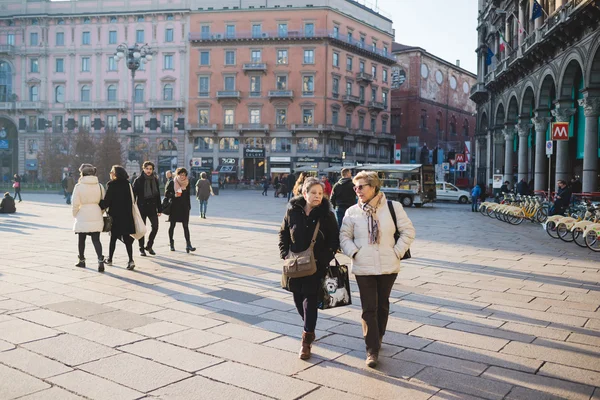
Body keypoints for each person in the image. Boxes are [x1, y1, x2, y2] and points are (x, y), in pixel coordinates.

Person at [340, 171, 415, 368]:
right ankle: (371, 349)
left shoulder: (393, 207)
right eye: (355, 187)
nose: (357, 190)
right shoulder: (352, 212)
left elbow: (408, 231)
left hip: (388, 265)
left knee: (382, 305)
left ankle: (378, 336)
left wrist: (396, 252)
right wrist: (354, 253)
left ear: (373, 186)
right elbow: (344, 237)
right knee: (368, 308)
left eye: (361, 186)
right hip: (363, 266)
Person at [278, 177, 339, 360]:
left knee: (310, 301)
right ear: (304, 193)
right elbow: (283, 232)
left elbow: (334, 240)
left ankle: (306, 339)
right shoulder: (292, 210)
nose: (317, 196)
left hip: (316, 266)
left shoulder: (327, 214)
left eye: (320, 193)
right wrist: (284, 253)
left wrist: (324, 260)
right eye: (313, 193)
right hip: (294, 265)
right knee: (298, 300)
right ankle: (309, 327)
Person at [71, 164, 105, 272]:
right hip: (96, 212)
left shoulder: (79, 186)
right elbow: (103, 201)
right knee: (96, 239)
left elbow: (75, 203)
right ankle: (100, 260)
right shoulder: (99, 186)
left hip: (83, 213)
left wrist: (75, 214)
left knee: (81, 239)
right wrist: (100, 211)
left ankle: (82, 260)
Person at [103, 165, 136, 270]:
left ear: (116, 174)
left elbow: (106, 202)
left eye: (112, 172)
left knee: (113, 239)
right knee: (127, 238)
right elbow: (133, 199)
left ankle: (110, 259)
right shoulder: (128, 184)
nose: (110, 173)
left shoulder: (112, 185)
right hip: (127, 215)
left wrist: (98, 204)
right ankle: (131, 260)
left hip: (115, 216)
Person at [132, 161, 162, 256]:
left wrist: (159, 209)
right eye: (147, 169)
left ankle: (149, 245)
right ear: (143, 169)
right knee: (142, 229)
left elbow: (158, 195)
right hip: (142, 208)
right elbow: (133, 195)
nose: (149, 171)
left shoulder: (155, 180)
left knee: (155, 227)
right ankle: (141, 248)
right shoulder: (138, 180)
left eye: (150, 169)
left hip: (152, 208)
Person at [165, 167, 196, 253]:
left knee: (186, 226)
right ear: (178, 174)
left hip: (184, 207)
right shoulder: (172, 182)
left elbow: (188, 195)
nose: (183, 177)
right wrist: (174, 195)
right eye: (181, 175)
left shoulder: (187, 183)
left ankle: (188, 245)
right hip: (175, 207)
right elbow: (166, 193)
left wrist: (189, 206)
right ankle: (171, 243)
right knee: (172, 226)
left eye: (184, 175)